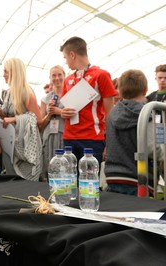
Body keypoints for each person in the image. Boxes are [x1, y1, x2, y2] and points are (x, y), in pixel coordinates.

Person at [105, 69, 164, 196]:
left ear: (120, 90)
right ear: (145, 90)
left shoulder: (112, 114)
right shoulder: (145, 114)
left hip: (113, 177)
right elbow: (152, 148)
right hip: (138, 180)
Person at [60, 36, 116, 164]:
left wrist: (109, 143)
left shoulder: (101, 75)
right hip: (68, 138)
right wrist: (63, 113)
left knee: (88, 181)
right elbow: (64, 109)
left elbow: (110, 114)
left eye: (65, 57)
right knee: (68, 181)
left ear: (72, 55)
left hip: (92, 139)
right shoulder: (68, 79)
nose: (66, 62)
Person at [0, 58, 43, 181]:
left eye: (6, 71)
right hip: (11, 143)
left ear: (14, 72)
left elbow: (38, 119)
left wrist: (13, 119)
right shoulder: (9, 92)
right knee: (12, 179)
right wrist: (2, 115)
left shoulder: (27, 92)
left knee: (26, 181)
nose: (3, 74)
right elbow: (8, 119)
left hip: (26, 146)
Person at [39, 65, 66, 182]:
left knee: (65, 170)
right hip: (49, 138)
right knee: (50, 170)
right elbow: (40, 124)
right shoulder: (45, 98)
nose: (57, 78)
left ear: (64, 76)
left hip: (64, 136)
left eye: (59, 74)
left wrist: (59, 111)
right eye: (53, 75)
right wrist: (49, 114)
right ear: (50, 78)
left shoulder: (70, 94)